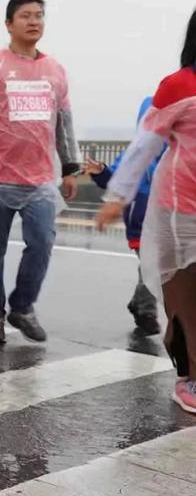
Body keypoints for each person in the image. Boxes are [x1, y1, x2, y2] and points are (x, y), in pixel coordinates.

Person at [0, 0, 80, 344]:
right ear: (9, 23)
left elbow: (64, 122)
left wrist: (70, 167)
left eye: (39, 15)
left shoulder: (55, 70)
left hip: (41, 181)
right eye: (25, 15)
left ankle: (22, 306)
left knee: (41, 243)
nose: (34, 21)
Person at [97, 9, 196, 413]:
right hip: (181, 212)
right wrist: (116, 197)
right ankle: (187, 377)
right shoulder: (178, 85)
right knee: (185, 303)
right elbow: (143, 148)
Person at [84, 96, 164, 336]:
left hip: (170, 219)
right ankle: (146, 310)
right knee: (153, 266)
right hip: (141, 222)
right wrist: (101, 171)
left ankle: (140, 304)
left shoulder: (181, 148)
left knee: (153, 267)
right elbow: (116, 177)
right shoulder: (138, 151)